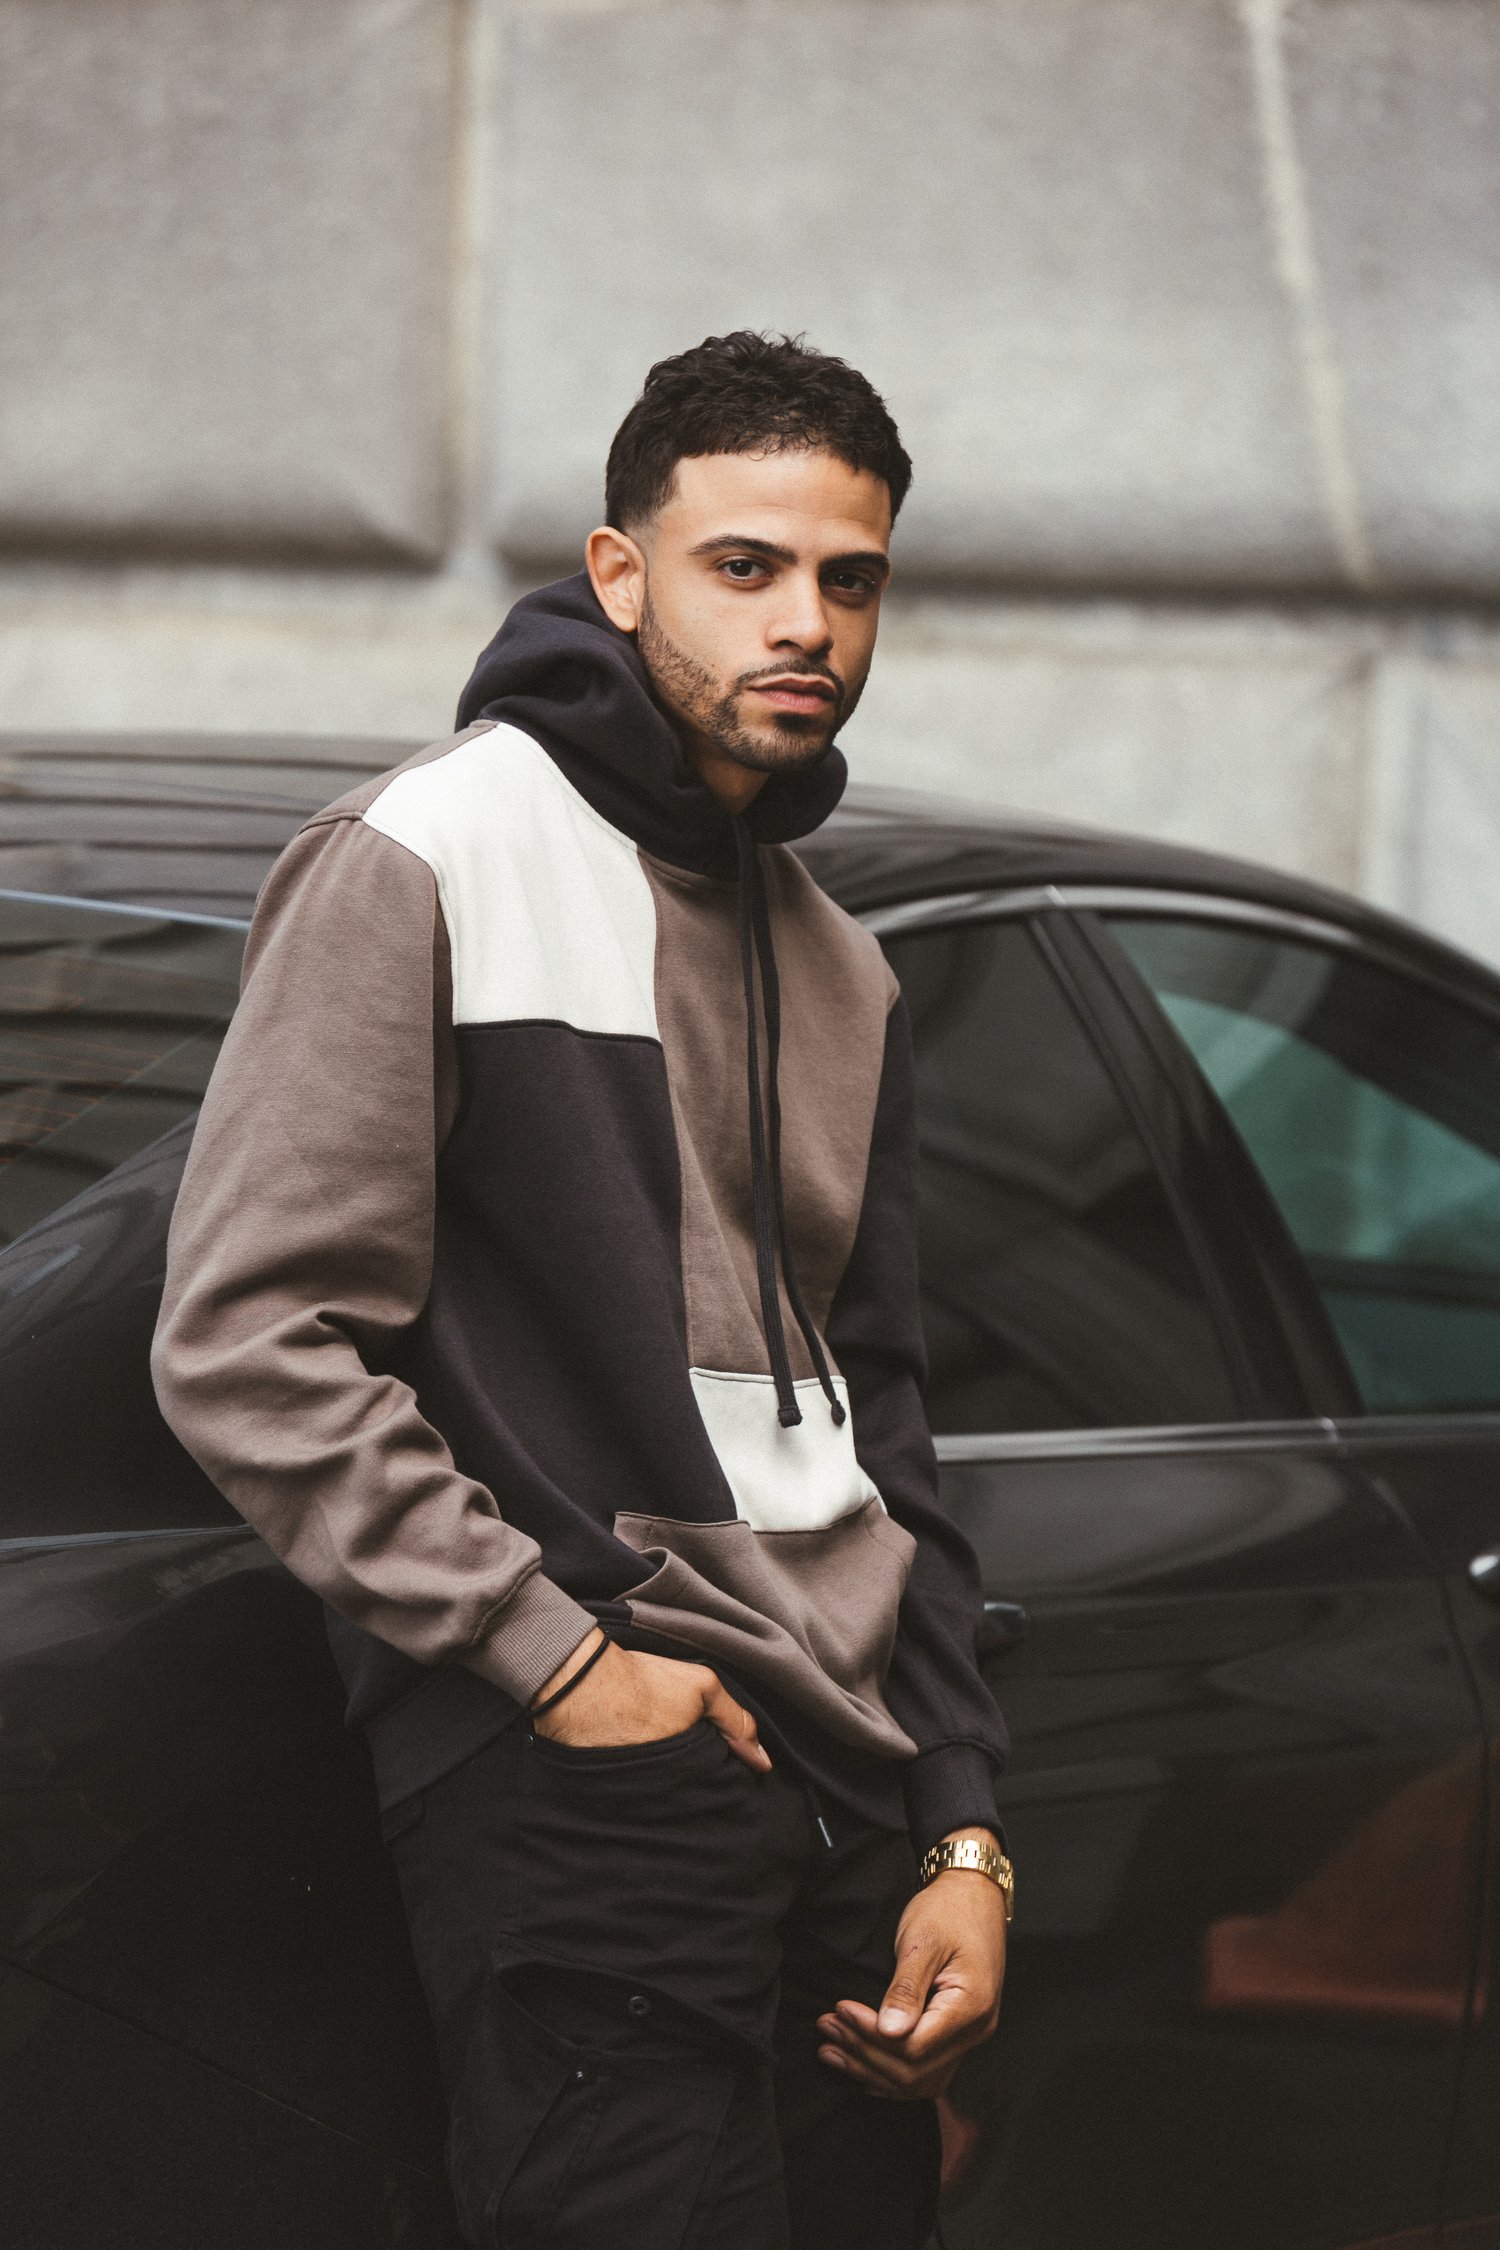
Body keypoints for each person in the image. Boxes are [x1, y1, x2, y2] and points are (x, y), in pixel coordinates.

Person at [152, 331, 1011, 2249]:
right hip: (590, 1766)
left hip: (850, 1791)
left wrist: (963, 1826)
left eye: (850, 577)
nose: (805, 623)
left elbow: (885, 1423)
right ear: (620, 575)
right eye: (744, 566)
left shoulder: (843, 965)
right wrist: (557, 1659)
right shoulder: (425, 857)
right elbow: (250, 1339)